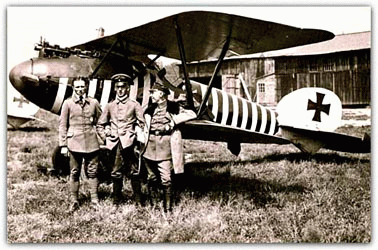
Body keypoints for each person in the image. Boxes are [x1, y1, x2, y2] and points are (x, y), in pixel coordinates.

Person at [141, 81, 196, 212]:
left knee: (166, 178)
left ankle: (168, 208)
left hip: (165, 145)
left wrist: (173, 122)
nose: (151, 96)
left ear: (162, 94)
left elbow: (192, 114)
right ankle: (153, 205)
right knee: (151, 177)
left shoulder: (173, 107)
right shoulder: (150, 108)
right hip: (149, 146)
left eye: (153, 93)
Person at [97, 74, 145, 205]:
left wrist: (135, 135)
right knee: (115, 172)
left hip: (129, 143)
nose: (120, 90)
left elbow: (142, 124)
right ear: (114, 88)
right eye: (117, 87)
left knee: (134, 172)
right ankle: (116, 201)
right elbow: (100, 124)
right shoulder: (110, 106)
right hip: (114, 144)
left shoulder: (134, 105)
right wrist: (106, 135)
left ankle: (138, 201)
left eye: (123, 87)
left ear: (128, 88)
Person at [59, 78, 102, 212]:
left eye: (82, 86)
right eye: (77, 87)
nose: (80, 89)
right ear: (73, 88)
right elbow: (62, 125)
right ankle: (74, 201)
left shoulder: (94, 103)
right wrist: (63, 145)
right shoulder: (67, 103)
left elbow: (100, 121)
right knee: (74, 172)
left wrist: (104, 137)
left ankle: (95, 200)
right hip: (74, 143)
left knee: (93, 172)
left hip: (91, 142)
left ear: (87, 87)